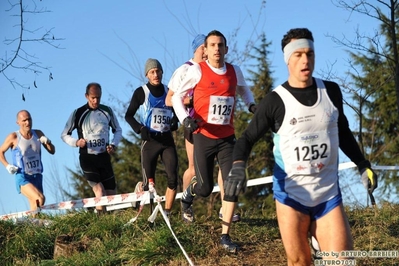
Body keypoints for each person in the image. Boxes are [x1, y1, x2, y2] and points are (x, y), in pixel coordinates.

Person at [224, 28, 378, 264]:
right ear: (287, 59)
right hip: (291, 197)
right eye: (298, 54)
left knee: (343, 261)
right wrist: (237, 166)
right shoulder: (275, 101)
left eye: (310, 53)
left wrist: (362, 164)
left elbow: (343, 132)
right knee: (299, 262)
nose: (305, 60)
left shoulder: (331, 92)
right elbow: (246, 139)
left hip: (328, 195)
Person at [172, 30, 256, 253]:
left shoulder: (234, 71)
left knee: (232, 184)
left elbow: (244, 91)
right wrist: (185, 120)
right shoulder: (197, 70)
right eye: (212, 45)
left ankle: (225, 236)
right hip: (203, 137)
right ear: (205, 50)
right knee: (205, 189)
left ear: (226, 49)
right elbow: (177, 98)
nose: (217, 49)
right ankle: (189, 194)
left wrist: (252, 106)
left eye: (220, 45)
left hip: (227, 138)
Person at [166, 33, 241, 222]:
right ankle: (186, 205)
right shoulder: (186, 69)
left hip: (220, 128)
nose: (214, 50)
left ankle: (226, 208)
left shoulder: (222, 68)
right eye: (206, 47)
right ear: (200, 49)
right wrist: (188, 106)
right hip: (194, 124)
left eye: (219, 45)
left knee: (225, 171)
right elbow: (170, 98)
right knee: (194, 170)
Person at [125, 58, 179, 216]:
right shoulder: (141, 92)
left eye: (158, 71)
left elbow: (176, 113)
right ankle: (148, 215)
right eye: (152, 72)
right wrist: (139, 128)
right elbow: (128, 115)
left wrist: (175, 122)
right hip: (149, 141)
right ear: (147, 75)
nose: (156, 75)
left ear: (162, 72)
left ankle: (167, 213)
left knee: (173, 178)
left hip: (166, 140)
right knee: (150, 186)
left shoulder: (169, 91)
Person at [61, 82, 122, 214]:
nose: (95, 101)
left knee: (111, 195)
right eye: (93, 97)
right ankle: (101, 224)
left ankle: (110, 226)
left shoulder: (107, 111)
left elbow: (118, 130)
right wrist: (76, 142)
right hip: (87, 159)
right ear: (86, 96)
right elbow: (64, 134)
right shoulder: (78, 113)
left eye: (98, 97)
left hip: (104, 158)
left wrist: (113, 145)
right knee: (100, 191)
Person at [0, 110, 55, 211]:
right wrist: (7, 166)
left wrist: (48, 142)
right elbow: (0, 152)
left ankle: (33, 224)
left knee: (36, 205)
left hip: (37, 175)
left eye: (29, 119)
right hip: (23, 176)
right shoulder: (14, 137)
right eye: (24, 120)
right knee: (40, 198)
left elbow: (52, 151)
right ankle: (34, 223)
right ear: (18, 123)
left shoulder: (38, 133)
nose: (28, 123)